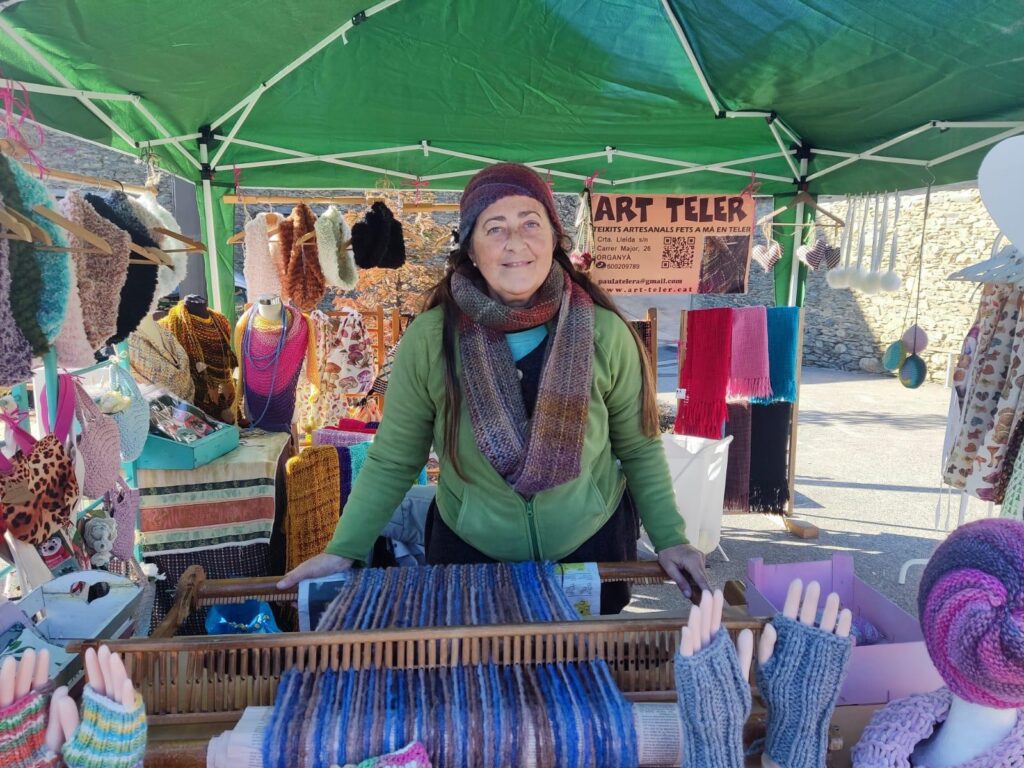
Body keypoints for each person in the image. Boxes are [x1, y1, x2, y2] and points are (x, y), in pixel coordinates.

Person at [279, 163, 710, 612]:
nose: (515, 242)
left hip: (589, 551)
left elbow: (639, 447)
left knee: (583, 658)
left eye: (530, 223)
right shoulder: (431, 339)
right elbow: (394, 459)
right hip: (470, 556)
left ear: (554, 237)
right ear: (471, 248)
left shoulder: (605, 333)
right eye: (495, 228)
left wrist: (671, 539)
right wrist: (343, 550)